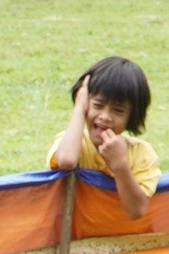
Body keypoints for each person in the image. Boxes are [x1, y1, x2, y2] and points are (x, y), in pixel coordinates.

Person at [49, 56, 161, 220]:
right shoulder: (72, 142)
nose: (105, 116)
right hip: (72, 240)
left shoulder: (142, 154)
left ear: (131, 116)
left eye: (118, 111)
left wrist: (120, 165)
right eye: (97, 105)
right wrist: (79, 108)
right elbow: (66, 161)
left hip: (124, 242)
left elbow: (137, 210)